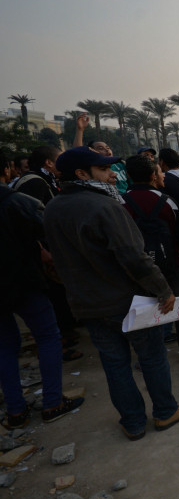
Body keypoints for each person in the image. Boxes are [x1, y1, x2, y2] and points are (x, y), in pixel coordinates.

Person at [43, 146, 179, 440]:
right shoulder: (105, 207)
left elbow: (57, 260)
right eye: (103, 170)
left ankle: (133, 422)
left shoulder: (53, 208)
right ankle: (165, 412)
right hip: (128, 301)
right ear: (81, 174)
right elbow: (132, 256)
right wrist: (162, 290)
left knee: (114, 364)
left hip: (87, 304)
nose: (112, 175)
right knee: (152, 357)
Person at [0, 181, 84, 428]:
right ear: (5, 171)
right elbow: (50, 231)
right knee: (47, 337)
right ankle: (52, 403)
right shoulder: (18, 202)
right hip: (25, 282)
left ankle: (15, 412)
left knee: (4, 347)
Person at [121, 155, 179, 365]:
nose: (163, 175)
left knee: (141, 309)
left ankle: (147, 358)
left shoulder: (120, 203)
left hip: (137, 268)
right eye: (161, 172)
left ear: (128, 175)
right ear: (154, 176)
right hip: (169, 263)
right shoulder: (167, 202)